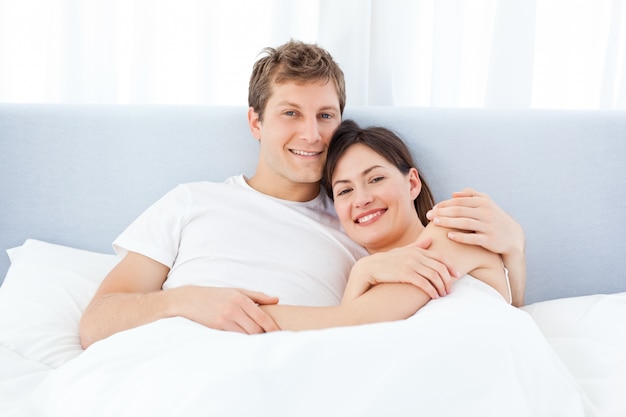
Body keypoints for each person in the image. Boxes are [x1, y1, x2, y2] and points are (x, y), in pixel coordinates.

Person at [79, 40, 525, 348]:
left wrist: (514, 253)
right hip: (175, 347)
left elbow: (476, 304)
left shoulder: (360, 221)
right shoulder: (190, 201)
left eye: (325, 115)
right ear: (256, 122)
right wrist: (187, 302)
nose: (311, 134)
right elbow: (96, 322)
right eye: (291, 113)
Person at [257, 120, 515, 330]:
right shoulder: (362, 277)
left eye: (376, 178)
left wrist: (239, 311)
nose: (362, 199)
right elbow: (353, 343)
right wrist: (362, 274)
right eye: (345, 191)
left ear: (412, 184)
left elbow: (349, 324)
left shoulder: (452, 230)